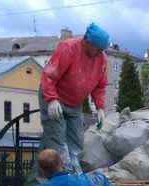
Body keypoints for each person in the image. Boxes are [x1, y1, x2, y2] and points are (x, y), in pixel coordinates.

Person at [36, 22, 110, 177]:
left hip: (74, 103)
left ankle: (74, 169)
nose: (99, 53)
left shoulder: (101, 58)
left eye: (102, 50)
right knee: (58, 137)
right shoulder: (68, 48)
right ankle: (64, 174)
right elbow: (49, 75)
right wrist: (51, 99)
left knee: (76, 139)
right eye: (97, 48)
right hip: (54, 97)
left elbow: (100, 86)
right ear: (87, 42)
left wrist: (100, 107)